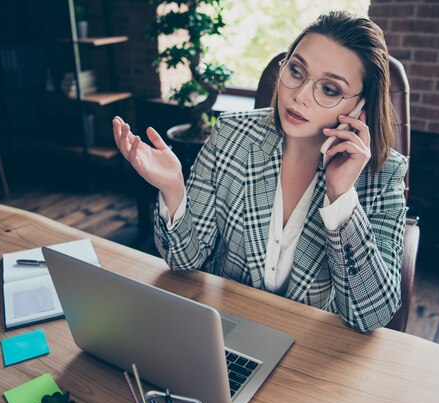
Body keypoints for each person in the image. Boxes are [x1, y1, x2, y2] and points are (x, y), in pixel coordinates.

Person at [112, 11, 407, 332]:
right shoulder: (230, 134)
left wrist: (342, 198)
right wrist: (173, 190)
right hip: (225, 330)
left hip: (312, 351)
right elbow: (184, 261)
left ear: (359, 105)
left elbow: (370, 316)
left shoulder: (385, 173)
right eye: (296, 71)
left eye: (330, 89)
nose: (300, 95)